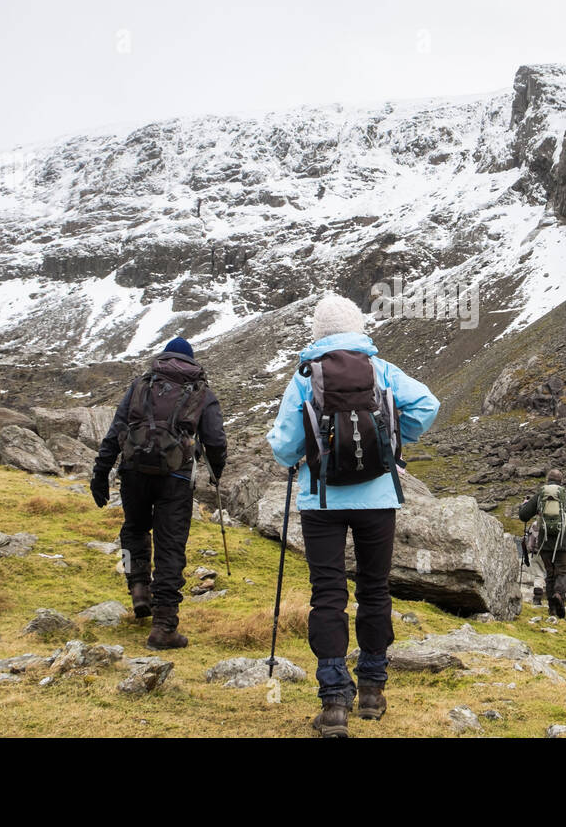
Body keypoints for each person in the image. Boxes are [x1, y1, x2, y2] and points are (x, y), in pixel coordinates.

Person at [266, 293, 439, 738]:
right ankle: (373, 692)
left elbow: (284, 445)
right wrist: (396, 444)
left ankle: (333, 704)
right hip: (379, 498)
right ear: (358, 327)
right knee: (375, 590)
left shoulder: (306, 375)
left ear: (318, 332)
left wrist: (307, 450)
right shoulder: (381, 370)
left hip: (322, 501)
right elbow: (427, 405)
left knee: (328, 596)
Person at [90, 337, 227, 650]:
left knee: (133, 530)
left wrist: (101, 472)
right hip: (175, 477)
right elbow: (216, 441)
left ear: (164, 358)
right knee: (170, 548)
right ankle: (164, 626)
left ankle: (138, 587)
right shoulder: (202, 392)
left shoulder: (140, 384)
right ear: (191, 362)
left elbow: (117, 429)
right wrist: (216, 471)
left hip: (133, 470)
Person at [518, 469, 566, 618]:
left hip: (545, 542)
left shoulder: (541, 494)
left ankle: (552, 610)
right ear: (561, 481)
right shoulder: (565, 495)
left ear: (547, 480)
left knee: (550, 574)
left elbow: (523, 516)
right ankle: (559, 595)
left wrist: (524, 505)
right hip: (563, 541)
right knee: (563, 572)